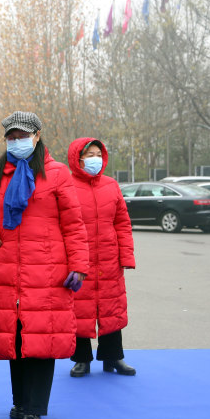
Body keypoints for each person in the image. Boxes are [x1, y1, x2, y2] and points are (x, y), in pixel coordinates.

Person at [0, 111, 88, 419]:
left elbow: (74, 224)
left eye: (22, 135)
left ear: (37, 136)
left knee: (41, 337)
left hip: (48, 270)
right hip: (7, 268)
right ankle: (19, 402)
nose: (16, 141)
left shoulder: (58, 173)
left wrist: (79, 266)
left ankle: (35, 408)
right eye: (11, 136)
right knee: (15, 338)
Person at [67, 138, 137, 377]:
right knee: (80, 309)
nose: (95, 159)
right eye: (89, 155)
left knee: (112, 308)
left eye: (98, 154)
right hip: (79, 258)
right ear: (78, 159)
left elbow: (122, 223)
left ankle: (113, 357)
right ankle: (81, 360)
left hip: (109, 259)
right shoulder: (66, 185)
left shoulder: (111, 185)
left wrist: (126, 256)